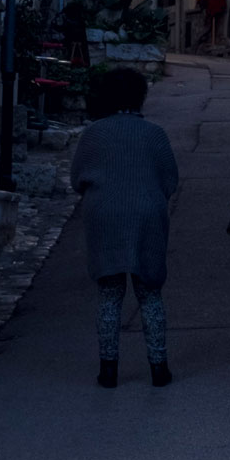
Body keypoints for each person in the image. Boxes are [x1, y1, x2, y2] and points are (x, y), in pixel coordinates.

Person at [70, 67, 180, 388]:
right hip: (147, 215)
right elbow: (169, 180)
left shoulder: (94, 134)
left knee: (109, 293)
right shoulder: (155, 134)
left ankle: (108, 370)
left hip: (105, 216)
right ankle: (159, 368)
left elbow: (78, 179)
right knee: (149, 294)